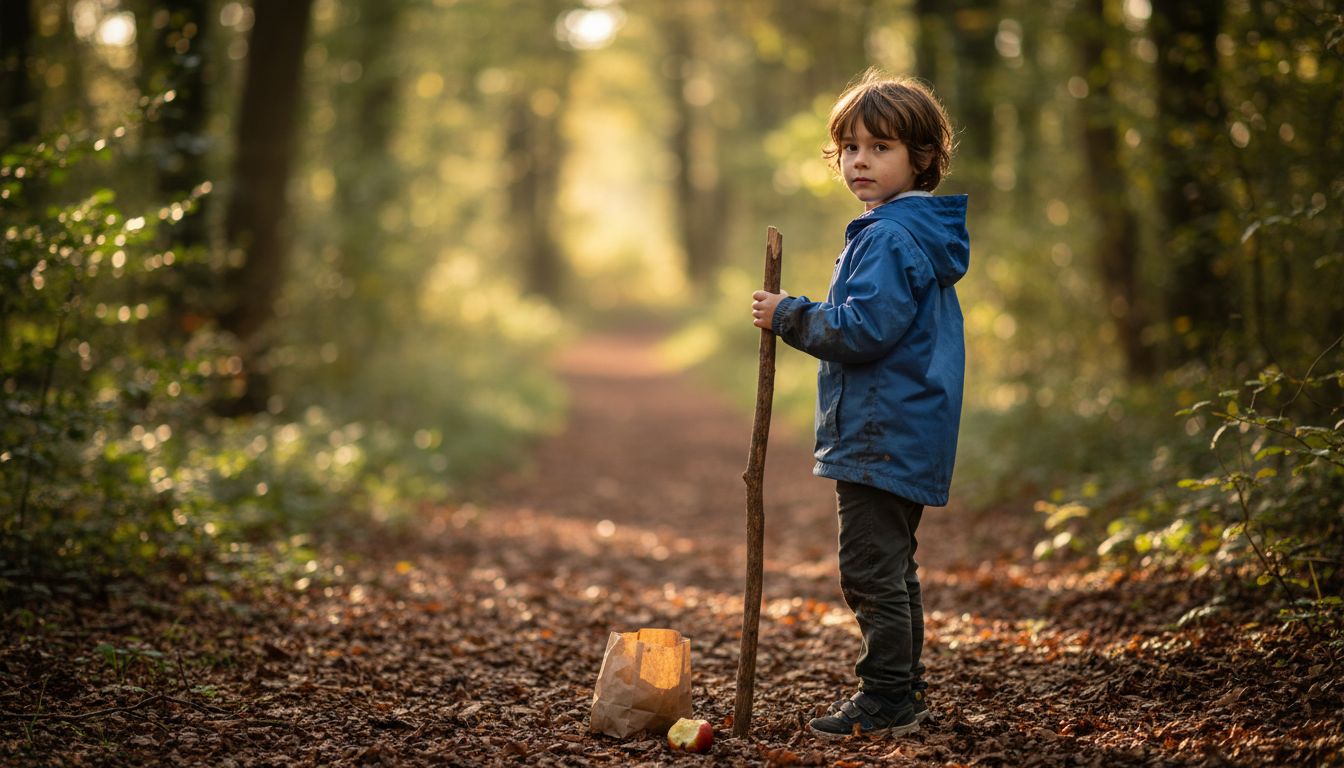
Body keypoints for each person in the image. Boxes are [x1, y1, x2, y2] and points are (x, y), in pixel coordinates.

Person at [749, 69, 967, 739]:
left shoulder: (890, 237)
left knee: (871, 571)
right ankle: (905, 688)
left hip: (882, 428)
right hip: (902, 423)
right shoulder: (903, 232)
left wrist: (791, 314)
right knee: (893, 569)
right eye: (850, 148)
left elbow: (863, 329)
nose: (859, 161)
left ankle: (886, 700)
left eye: (880, 148)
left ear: (921, 159)